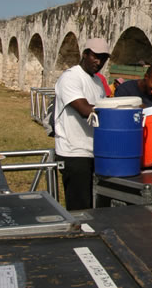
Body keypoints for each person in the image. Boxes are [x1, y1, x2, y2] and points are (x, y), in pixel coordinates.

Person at [54, 38, 110, 210]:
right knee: (80, 207)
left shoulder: (98, 81)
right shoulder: (70, 77)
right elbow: (85, 110)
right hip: (74, 152)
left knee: (97, 204)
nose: (99, 61)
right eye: (95, 56)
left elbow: (103, 107)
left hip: (94, 151)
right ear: (85, 54)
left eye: (103, 58)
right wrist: (118, 113)